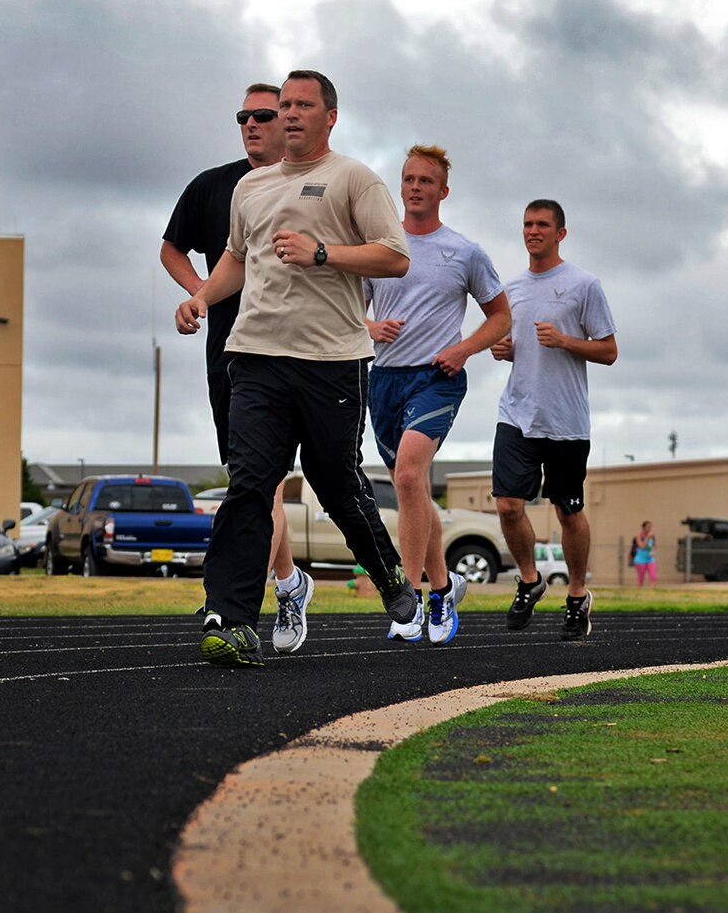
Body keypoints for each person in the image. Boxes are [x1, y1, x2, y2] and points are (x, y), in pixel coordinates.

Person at [177, 70, 416, 666]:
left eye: (301, 106)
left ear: (329, 116)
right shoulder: (250, 188)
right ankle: (229, 619)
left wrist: (322, 253)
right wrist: (202, 298)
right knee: (250, 484)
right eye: (282, 106)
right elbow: (236, 258)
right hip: (255, 355)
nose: (287, 115)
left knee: (335, 481)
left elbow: (394, 256)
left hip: (332, 361)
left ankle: (388, 575)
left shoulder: (353, 178)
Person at [160, 82, 303, 634]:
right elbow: (170, 246)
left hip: (294, 349)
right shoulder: (214, 186)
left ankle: (232, 602)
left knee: (259, 479)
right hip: (230, 346)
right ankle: (289, 582)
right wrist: (199, 292)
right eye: (243, 116)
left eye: (263, 115)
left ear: (289, 120)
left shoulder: (314, 184)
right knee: (251, 478)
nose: (251, 124)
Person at [365, 143, 511, 646]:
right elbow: (346, 313)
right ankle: (443, 589)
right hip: (382, 381)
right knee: (415, 490)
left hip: (436, 377)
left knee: (407, 475)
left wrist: (464, 349)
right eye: (408, 179)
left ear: (442, 191)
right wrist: (371, 327)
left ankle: (405, 602)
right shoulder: (380, 247)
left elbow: (501, 317)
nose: (415, 187)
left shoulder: (464, 252)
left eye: (425, 180)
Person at [490, 199, 618, 639]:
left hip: (565, 420)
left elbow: (609, 351)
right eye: (527, 224)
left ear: (561, 233)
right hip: (517, 412)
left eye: (543, 224)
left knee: (567, 512)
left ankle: (578, 594)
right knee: (507, 505)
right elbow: (511, 342)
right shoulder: (512, 288)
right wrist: (505, 348)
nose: (533, 231)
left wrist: (565, 341)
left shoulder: (584, 284)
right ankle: (529, 580)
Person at [630, 522, 658, 587]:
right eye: (648, 526)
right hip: (640, 559)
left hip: (650, 559)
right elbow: (642, 546)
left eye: (651, 527)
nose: (650, 528)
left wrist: (653, 550)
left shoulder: (652, 535)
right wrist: (647, 538)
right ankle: (639, 593)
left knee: (653, 577)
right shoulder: (639, 536)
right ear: (644, 528)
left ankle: (653, 593)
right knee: (641, 579)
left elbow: (654, 545)